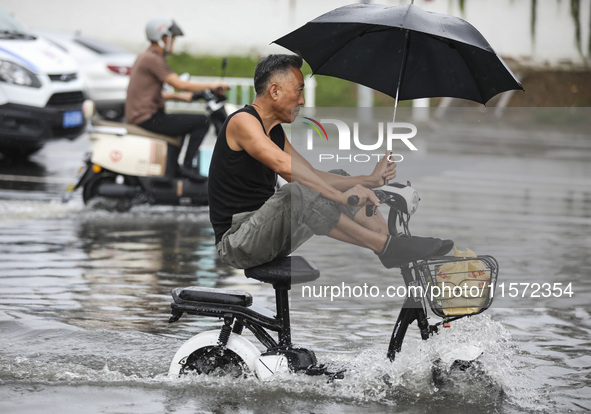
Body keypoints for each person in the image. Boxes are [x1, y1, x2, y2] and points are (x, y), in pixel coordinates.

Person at [208, 54, 451, 270]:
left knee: (337, 177)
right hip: (237, 243)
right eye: (299, 90)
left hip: (267, 234)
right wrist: (337, 197)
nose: (302, 101)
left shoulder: (276, 132)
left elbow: (309, 173)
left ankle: (393, 244)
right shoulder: (242, 121)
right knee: (297, 194)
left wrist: (369, 180)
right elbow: (285, 168)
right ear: (274, 91)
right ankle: (384, 246)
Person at [125, 17, 229, 182]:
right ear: (162, 37)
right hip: (146, 118)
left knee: (181, 125)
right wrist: (212, 85)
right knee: (201, 122)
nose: (173, 42)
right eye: (171, 38)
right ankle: (188, 167)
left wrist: (186, 97)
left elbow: (156, 92)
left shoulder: (147, 56)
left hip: (144, 116)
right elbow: (178, 83)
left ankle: (173, 171)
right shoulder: (153, 58)